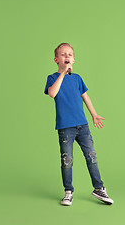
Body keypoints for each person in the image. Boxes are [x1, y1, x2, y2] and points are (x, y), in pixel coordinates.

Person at [44, 43, 114, 206]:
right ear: (56, 59)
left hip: (82, 125)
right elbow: (52, 93)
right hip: (65, 127)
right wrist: (62, 73)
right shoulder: (53, 78)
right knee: (67, 160)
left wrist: (94, 115)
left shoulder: (77, 78)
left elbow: (85, 97)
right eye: (63, 54)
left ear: (74, 59)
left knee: (92, 157)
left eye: (70, 54)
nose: (67, 56)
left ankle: (99, 188)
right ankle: (68, 192)